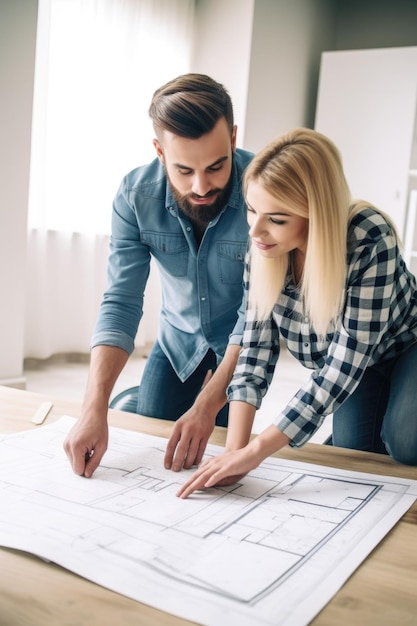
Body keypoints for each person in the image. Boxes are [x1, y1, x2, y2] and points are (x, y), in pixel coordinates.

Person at [178, 127, 417, 499]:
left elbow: (340, 370)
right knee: (351, 457)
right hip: (360, 366)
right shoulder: (263, 244)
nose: (255, 230)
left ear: (314, 214)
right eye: (253, 210)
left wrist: (258, 452)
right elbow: (253, 354)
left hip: (405, 344)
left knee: (405, 443)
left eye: (276, 218)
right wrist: (234, 453)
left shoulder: (369, 238)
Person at [63, 74, 253, 478]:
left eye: (216, 166)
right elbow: (122, 300)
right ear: (160, 152)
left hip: (244, 345)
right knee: (153, 432)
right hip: (177, 339)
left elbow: (258, 314)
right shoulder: (135, 195)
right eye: (184, 170)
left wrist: (208, 404)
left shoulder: (264, 187)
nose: (201, 186)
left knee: (219, 453)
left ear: (233, 139)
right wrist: (92, 408)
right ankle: (127, 400)